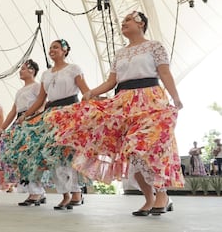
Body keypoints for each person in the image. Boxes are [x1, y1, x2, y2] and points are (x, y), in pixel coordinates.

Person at [46, 11, 184, 216]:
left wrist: (175, 98)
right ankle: (150, 199)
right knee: (131, 152)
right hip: (124, 103)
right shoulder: (120, 53)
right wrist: (92, 92)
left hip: (150, 101)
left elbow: (164, 73)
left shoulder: (154, 46)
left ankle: (162, 193)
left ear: (141, 23)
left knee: (145, 147)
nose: (124, 23)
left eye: (128, 19)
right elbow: (112, 82)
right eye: (123, 20)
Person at [16, 39, 90, 210]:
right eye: (50, 48)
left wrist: (95, 101)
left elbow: (85, 91)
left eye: (56, 47)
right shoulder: (46, 74)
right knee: (53, 155)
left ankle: (76, 192)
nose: (52, 50)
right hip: (51, 115)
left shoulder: (73, 69)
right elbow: (41, 99)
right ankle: (65, 194)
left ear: (65, 50)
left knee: (70, 152)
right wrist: (26, 115)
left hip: (70, 112)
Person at [0, 59, 46, 206]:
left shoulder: (37, 87)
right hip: (20, 122)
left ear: (32, 70)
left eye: (23, 68)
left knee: (31, 157)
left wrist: (34, 120)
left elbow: (41, 104)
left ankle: (35, 193)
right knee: (19, 157)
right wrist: (2, 128)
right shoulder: (20, 91)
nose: (20, 71)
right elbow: (13, 111)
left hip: (32, 121)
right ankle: (36, 191)